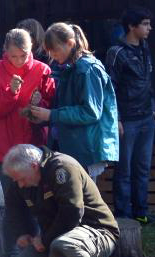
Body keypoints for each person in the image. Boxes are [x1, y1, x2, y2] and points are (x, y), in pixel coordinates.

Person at [0, 143, 117, 257]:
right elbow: (13, 208)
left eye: (21, 179)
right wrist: (22, 233)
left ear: (34, 166)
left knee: (63, 246)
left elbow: (72, 212)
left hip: (96, 231)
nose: (19, 184)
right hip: (55, 238)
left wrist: (45, 240)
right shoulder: (22, 178)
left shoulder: (62, 168)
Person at [27, 23, 119, 179]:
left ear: (70, 43)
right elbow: (63, 106)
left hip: (85, 147)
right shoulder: (68, 68)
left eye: (55, 50)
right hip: (72, 144)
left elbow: (90, 112)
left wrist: (51, 115)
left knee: (82, 199)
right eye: (49, 51)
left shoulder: (87, 70)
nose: (53, 55)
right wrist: (41, 112)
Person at [105, 7, 155, 224]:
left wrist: (153, 107)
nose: (149, 28)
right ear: (131, 26)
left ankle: (141, 212)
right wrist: (115, 118)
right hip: (126, 119)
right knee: (124, 170)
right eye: (145, 24)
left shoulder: (145, 48)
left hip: (146, 117)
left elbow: (147, 82)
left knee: (142, 168)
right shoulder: (116, 52)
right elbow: (110, 88)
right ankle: (123, 215)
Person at [0, 28, 53, 168]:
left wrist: (39, 104)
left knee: (35, 190)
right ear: (5, 51)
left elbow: (53, 111)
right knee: (10, 191)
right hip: (5, 149)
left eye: (23, 55)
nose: (19, 60)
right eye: (13, 56)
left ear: (31, 48)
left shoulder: (43, 70)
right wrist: (10, 93)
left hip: (34, 148)